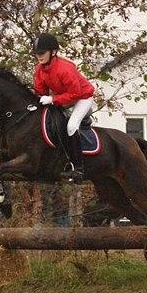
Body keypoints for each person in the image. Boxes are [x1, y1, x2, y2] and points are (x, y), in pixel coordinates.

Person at [31, 32, 95, 183]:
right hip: (65, 96)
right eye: (36, 54)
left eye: (42, 53)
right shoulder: (39, 69)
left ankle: (78, 169)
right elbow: (40, 91)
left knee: (71, 126)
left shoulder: (64, 68)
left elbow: (75, 93)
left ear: (53, 52)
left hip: (82, 97)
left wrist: (52, 99)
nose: (38, 56)